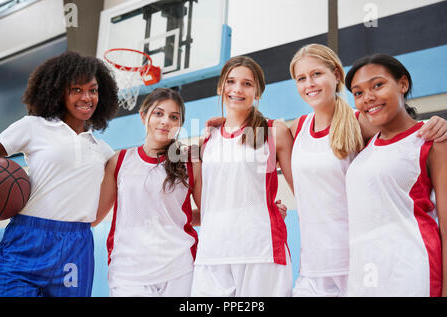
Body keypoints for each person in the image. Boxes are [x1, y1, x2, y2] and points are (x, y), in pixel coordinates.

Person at [288, 43, 447, 297]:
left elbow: (406, 133)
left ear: (336, 75)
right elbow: (254, 138)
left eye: (317, 74)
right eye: (301, 78)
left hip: (366, 262)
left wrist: (436, 123)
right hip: (322, 264)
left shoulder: (361, 122)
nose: (310, 83)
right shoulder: (297, 128)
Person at [0, 51, 119, 297]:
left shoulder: (105, 152)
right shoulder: (33, 126)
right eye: (77, 90)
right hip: (26, 239)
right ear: (58, 92)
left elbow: (99, 210)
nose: (86, 97)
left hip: (76, 245)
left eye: (93, 90)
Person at [191, 56, 295, 297]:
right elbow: (206, 204)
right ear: (220, 87)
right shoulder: (207, 140)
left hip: (261, 251)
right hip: (212, 253)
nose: (237, 89)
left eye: (247, 84)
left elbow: (302, 189)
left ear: (257, 92)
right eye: (231, 81)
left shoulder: (274, 131)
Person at [344, 54, 447, 296]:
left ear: (403, 84)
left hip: (412, 274)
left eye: (377, 85)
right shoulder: (365, 147)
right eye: (358, 93)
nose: (368, 98)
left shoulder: (431, 140)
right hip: (364, 277)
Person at [93, 88, 201, 297]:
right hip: (128, 272)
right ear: (143, 116)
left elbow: (210, 212)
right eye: (158, 113)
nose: (165, 121)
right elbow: (94, 217)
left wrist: (267, 207)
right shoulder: (120, 161)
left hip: (180, 267)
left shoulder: (190, 160)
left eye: (173, 117)